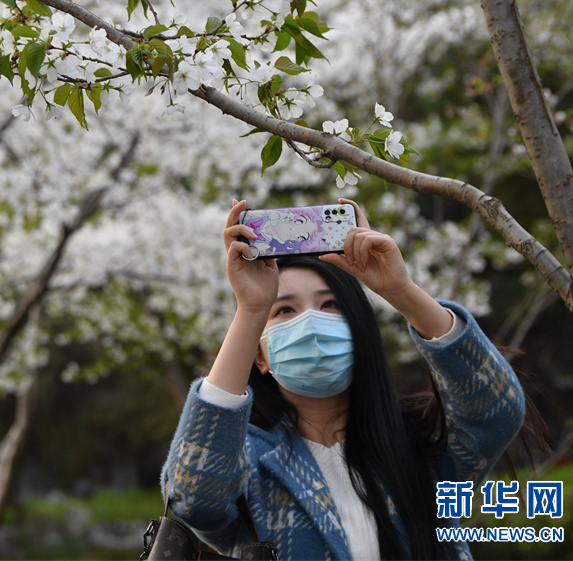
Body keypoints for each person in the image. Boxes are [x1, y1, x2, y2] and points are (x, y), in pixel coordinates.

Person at [161, 199, 527, 560]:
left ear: (359, 330)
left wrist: (401, 291)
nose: (311, 324)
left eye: (330, 305)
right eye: (284, 310)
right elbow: (193, 496)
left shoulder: (422, 447)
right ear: (259, 356)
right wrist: (251, 309)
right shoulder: (249, 465)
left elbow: (495, 410)